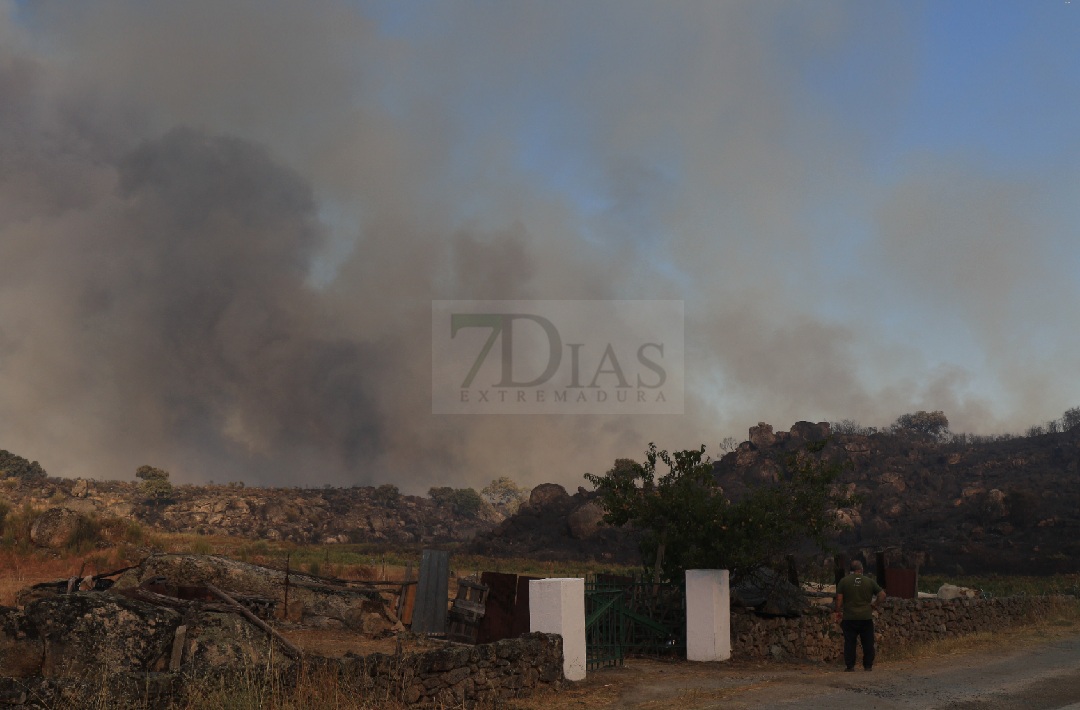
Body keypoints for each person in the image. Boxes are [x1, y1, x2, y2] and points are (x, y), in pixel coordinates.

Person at [834, 560, 886, 671]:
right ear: (861, 569)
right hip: (865, 617)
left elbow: (839, 599)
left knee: (850, 642)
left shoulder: (843, 581)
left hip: (849, 617)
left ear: (850, 570)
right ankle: (867, 666)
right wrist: (874, 605)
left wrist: (837, 611)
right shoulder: (869, 581)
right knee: (868, 642)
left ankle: (850, 666)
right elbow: (882, 594)